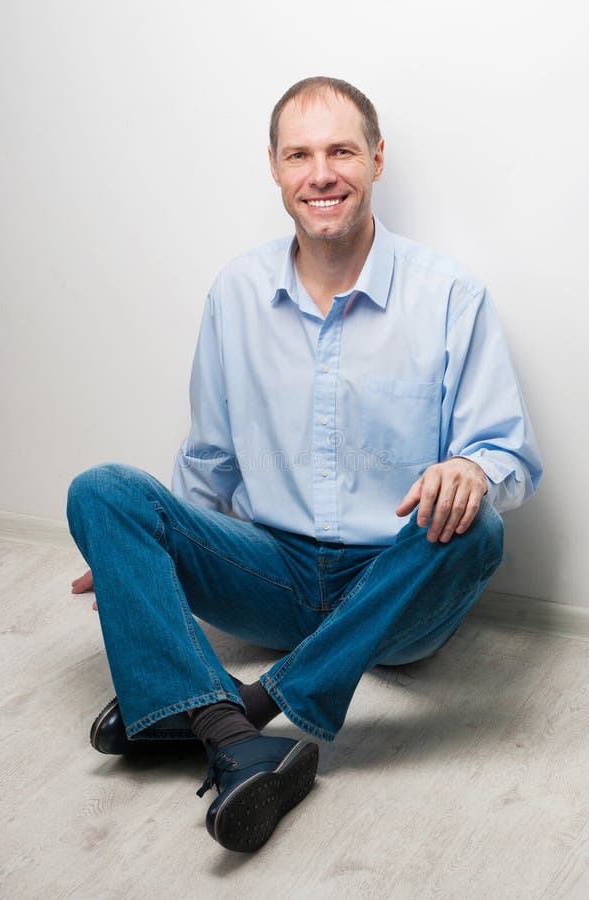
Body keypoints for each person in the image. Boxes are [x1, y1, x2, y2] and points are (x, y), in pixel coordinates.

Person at [67, 76, 542, 853]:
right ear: (276, 168)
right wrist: (145, 563)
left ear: (377, 159)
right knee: (103, 493)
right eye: (301, 155)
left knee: (478, 525)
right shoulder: (237, 291)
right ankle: (233, 729)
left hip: (394, 589)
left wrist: (472, 470)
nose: (321, 173)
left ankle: (234, 712)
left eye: (341, 151)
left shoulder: (450, 294)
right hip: (271, 574)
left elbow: (508, 453)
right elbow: (209, 457)